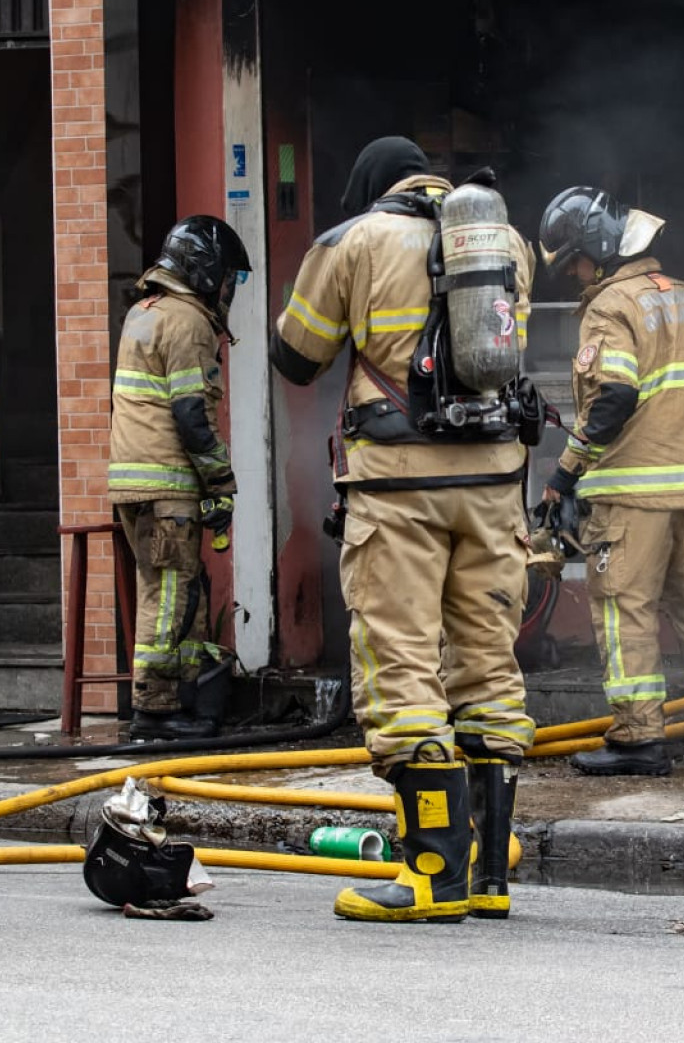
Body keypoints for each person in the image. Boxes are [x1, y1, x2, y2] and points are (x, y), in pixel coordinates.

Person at [270, 136, 536, 922]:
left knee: (402, 668)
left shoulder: (352, 241)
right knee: (488, 669)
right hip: (495, 485)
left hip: (399, 489)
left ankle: (430, 874)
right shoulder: (504, 240)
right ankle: (487, 878)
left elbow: (296, 357)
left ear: (370, 189)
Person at [535, 187, 684, 776]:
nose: (575, 276)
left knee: (626, 612)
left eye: (575, 264)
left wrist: (565, 472)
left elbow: (612, 397)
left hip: (634, 497)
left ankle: (638, 740)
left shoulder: (611, 307)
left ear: (596, 253)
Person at [109, 216, 248, 742]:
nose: (229, 289)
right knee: (168, 594)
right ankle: (154, 708)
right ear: (206, 270)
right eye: (229, 277)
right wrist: (220, 482)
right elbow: (192, 415)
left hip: (139, 482)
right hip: (168, 485)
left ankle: (182, 703)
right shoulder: (188, 322)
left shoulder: (144, 312)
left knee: (181, 590)